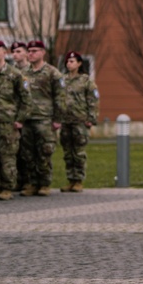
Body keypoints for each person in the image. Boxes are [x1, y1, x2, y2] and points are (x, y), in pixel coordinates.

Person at [20, 41, 63, 197]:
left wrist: (58, 118)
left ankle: (44, 183)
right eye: (29, 51)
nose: (31, 54)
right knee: (27, 153)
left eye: (35, 51)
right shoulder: (23, 72)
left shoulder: (52, 73)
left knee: (44, 151)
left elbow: (60, 97)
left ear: (43, 52)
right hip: (27, 118)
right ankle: (32, 183)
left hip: (45, 119)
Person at [58, 52, 100, 193]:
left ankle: (79, 180)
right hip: (66, 120)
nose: (69, 63)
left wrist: (91, 118)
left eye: (72, 61)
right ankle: (70, 179)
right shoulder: (63, 80)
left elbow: (93, 100)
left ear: (79, 63)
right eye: (67, 61)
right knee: (68, 152)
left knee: (79, 152)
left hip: (80, 120)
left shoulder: (86, 80)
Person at [0, 40, 32, 201]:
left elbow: (26, 99)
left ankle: (7, 186)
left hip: (7, 121)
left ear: (4, 52)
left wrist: (20, 119)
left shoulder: (14, 74)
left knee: (7, 155)